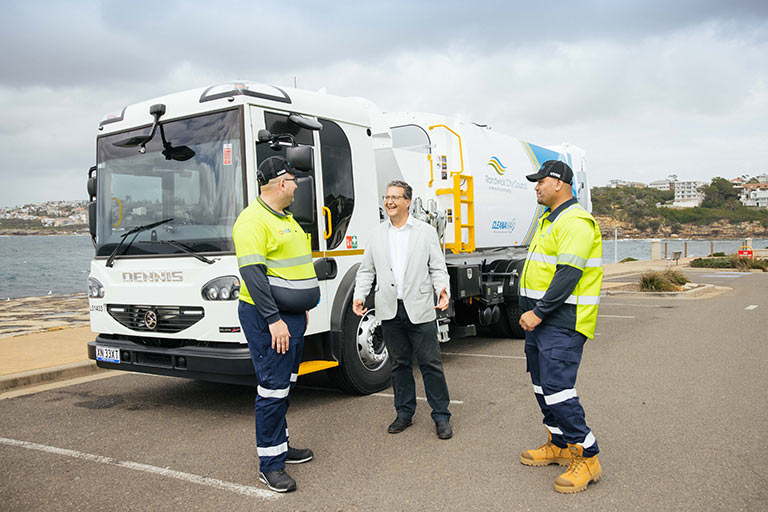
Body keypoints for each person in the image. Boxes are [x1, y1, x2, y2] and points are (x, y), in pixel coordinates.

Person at [233, 156, 320, 493]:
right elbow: (253, 275)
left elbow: (291, 268)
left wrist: (301, 308)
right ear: (281, 183)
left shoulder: (285, 218)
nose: (297, 185)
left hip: (291, 317)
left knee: (285, 384)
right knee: (272, 388)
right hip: (268, 318)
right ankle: (270, 465)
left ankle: (280, 446)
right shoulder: (252, 221)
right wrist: (274, 320)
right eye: (294, 181)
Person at [517, 160, 604, 494]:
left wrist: (538, 313)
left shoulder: (576, 220)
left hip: (562, 321)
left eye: (540, 181)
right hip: (542, 323)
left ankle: (588, 456)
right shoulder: (548, 219)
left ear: (558, 183)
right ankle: (558, 444)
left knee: (558, 389)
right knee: (541, 386)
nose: (536, 186)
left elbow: (568, 274)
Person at [353, 180, 453, 439]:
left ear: (408, 201)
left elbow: (437, 268)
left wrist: (443, 290)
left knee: (431, 364)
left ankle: (441, 416)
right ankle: (404, 412)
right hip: (389, 309)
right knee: (399, 365)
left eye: (396, 197)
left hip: (419, 308)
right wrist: (359, 295)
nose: (390, 202)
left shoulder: (425, 232)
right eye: (387, 197)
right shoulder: (376, 234)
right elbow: (367, 270)